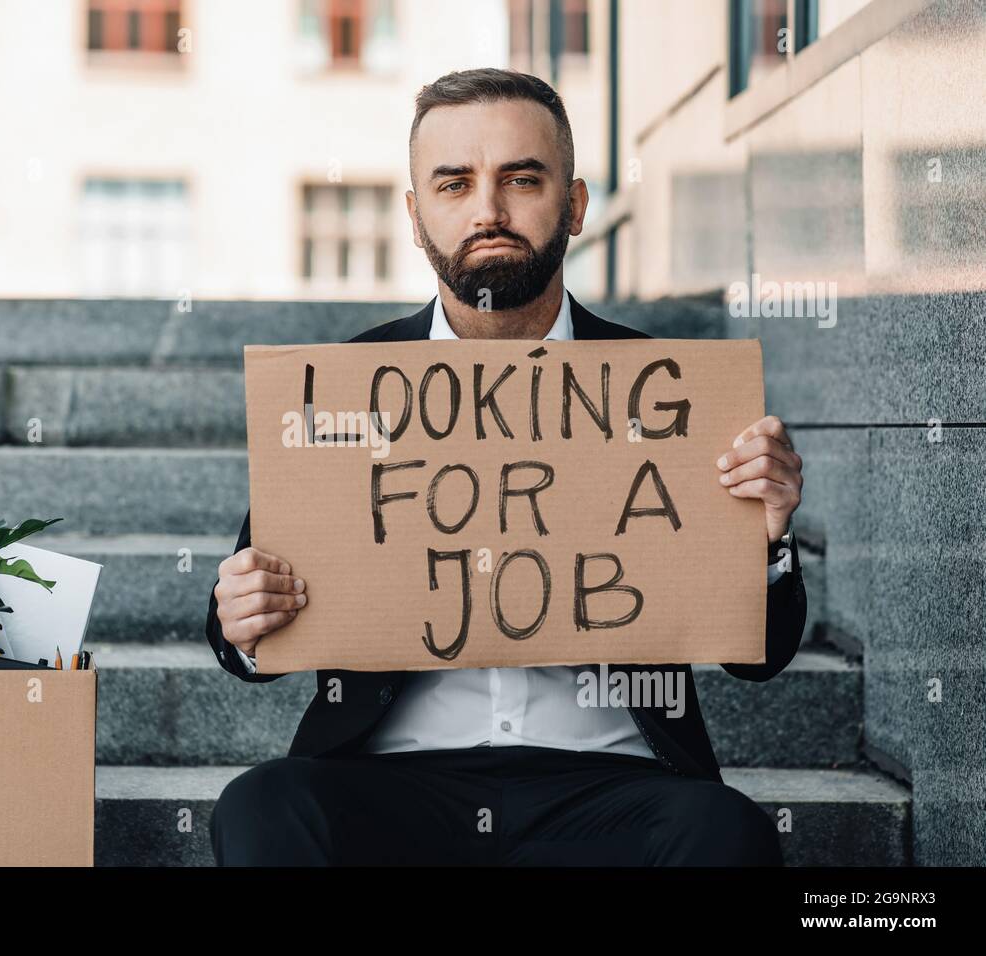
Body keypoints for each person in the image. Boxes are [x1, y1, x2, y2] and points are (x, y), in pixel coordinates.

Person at [205, 68, 806, 866]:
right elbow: (241, 630)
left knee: (726, 832)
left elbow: (758, 658)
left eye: (521, 179)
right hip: (393, 785)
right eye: (454, 185)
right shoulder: (343, 384)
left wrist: (764, 537)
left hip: (612, 789)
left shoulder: (669, 391)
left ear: (578, 204)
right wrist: (243, 617)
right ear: (417, 220)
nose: (488, 211)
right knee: (262, 808)